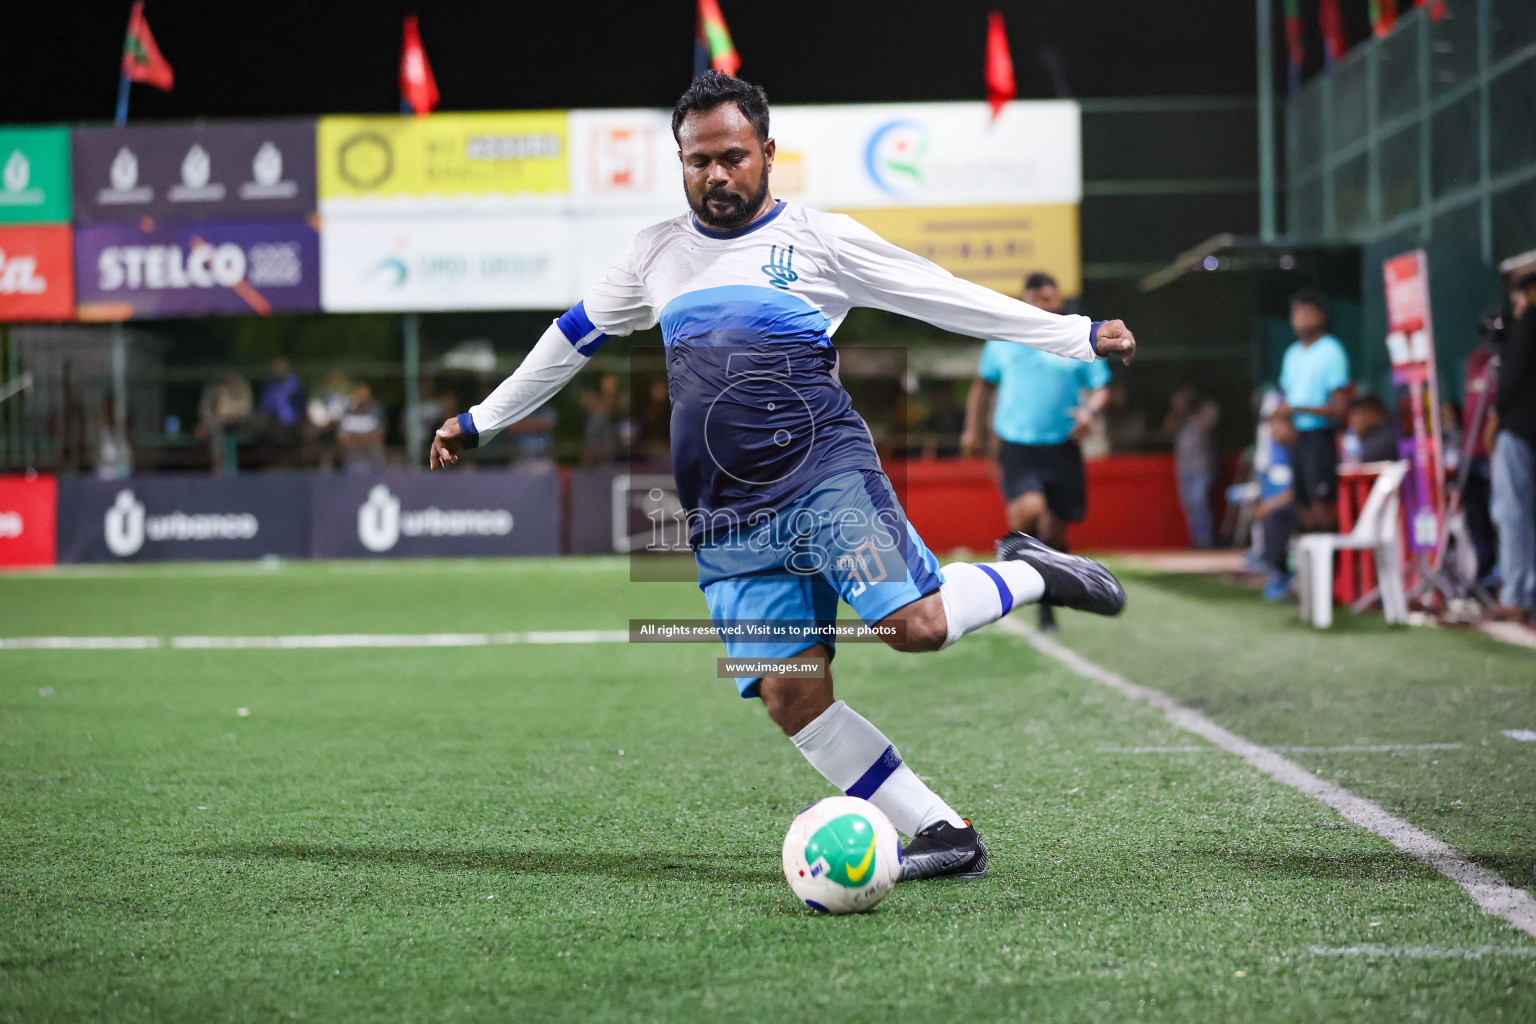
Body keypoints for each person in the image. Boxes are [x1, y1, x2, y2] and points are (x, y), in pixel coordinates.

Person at [429, 72, 1137, 881]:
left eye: (733, 156)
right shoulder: (653, 254)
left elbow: (939, 297)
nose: (716, 176)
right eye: (698, 162)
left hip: (822, 476)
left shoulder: (821, 239)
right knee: (791, 696)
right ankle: (942, 832)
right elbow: (570, 339)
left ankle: (1031, 572)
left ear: (767, 152)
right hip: (726, 515)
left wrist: (1075, 336)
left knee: (919, 627)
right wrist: (482, 418)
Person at [960, 271, 1111, 632]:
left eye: (1051, 298)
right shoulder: (1003, 341)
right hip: (1016, 444)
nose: (1045, 305)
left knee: (1056, 536)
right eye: (1038, 298)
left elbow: (1101, 386)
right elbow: (981, 387)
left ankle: (1046, 601)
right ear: (1025, 300)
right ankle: (1013, 565)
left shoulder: (1074, 338)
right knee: (1030, 510)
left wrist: (1089, 412)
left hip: (1063, 446)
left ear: (1059, 302)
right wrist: (971, 429)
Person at [1278, 289, 1351, 530]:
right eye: (1296, 313)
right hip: (1297, 440)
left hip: (1321, 439)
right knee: (1301, 503)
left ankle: (1332, 564)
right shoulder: (1292, 354)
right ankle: (1308, 564)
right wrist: (1280, 422)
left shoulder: (1331, 351)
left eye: (1307, 312)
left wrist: (1298, 409)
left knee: (1323, 504)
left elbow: (1339, 407)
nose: (1301, 319)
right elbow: (1285, 401)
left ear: (1320, 315)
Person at [1489, 271, 1536, 623]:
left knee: (1513, 514)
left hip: (1519, 431)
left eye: (1519, 300)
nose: (1517, 309)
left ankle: (1515, 594)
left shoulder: (1528, 323)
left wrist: (1495, 418)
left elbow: (1510, 379)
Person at [1164, 386, 1219, 548]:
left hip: (1203, 465)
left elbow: (1205, 427)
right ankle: (1196, 539)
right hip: (1184, 466)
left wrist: (1189, 408)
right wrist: (1178, 410)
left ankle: (1206, 539)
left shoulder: (1208, 409)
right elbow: (1168, 428)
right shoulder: (1179, 416)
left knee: (1200, 501)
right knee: (1189, 503)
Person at [1256, 407, 1298, 601]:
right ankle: (1276, 569)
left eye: (1275, 425)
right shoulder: (1279, 450)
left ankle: (1279, 573)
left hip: (1310, 509)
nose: (1272, 431)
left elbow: (1298, 490)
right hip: (1295, 506)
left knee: (1273, 515)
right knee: (1269, 514)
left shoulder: (1303, 447)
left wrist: (1271, 504)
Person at [337, 380, 386, 470]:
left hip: (370, 447)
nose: (362, 398)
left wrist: (360, 439)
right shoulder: (347, 409)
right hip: (352, 448)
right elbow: (341, 435)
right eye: (359, 395)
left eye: (364, 395)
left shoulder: (376, 409)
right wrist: (359, 440)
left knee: (376, 448)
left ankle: (378, 474)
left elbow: (380, 434)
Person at [1342, 394, 1398, 465]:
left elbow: (1367, 456)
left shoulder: (1388, 436)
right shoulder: (1368, 436)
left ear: (1374, 414)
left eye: (1357, 415)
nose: (1352, 422)